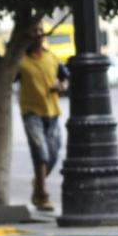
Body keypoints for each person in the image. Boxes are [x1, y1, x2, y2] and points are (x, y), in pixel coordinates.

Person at [18, 21, 69, 212]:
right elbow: (9, 79)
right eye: (34, 31)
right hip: (31, 112)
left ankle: (38, 184)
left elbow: (65, 79)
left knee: (53, 154)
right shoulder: (21, 61)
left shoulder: (52, 57)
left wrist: (62, 86)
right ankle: (43, 194)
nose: (38, 34)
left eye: (41, 31)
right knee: (41, 153)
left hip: (53, 112)